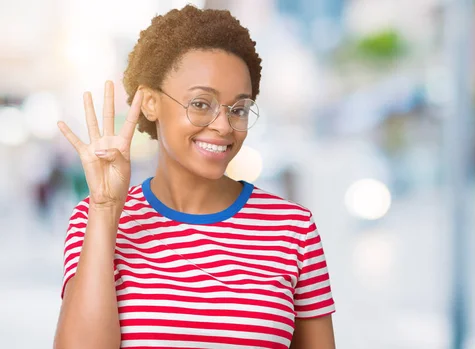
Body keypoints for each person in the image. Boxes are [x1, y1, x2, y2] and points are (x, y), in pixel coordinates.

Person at [53, 6, 336, 349]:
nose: (223, 125)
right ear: (151, 103)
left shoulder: (293, 229)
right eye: (201, 104)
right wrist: (105, 210)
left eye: (239, 109)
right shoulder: (93, 219)